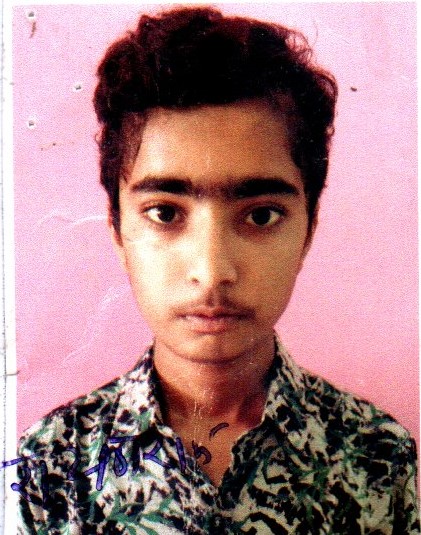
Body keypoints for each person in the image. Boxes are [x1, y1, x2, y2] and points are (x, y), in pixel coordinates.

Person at [17, 6, 418, 534]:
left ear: (308, 229)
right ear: (117, 228)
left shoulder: (376, 453)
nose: (211, 271)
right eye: (165, 213)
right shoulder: (52, 463)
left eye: (261, 215)